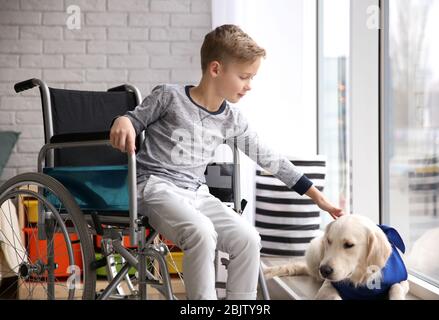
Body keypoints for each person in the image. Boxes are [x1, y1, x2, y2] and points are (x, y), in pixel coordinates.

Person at [110, 24, 343, 300]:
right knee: (201, 231)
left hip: (196, 193)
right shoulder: (168, 96)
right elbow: (133, 119)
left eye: (252, 77)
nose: (249, 86)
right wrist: (123, 120)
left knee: (248, 238)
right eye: (244, 76)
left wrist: (317, 197)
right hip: (154, 186)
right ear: (216, 69)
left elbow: (270, 158)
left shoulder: (232, 119)